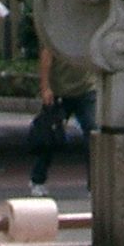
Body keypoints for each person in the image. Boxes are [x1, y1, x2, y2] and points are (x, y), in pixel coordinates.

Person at [28, 38, 98, 197]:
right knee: (50, 136)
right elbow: (46, 57)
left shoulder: (89, 29)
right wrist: (45, 88)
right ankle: (37, 179)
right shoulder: (56, 29)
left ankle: (94, 185)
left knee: (93, 134)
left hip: (86, 89)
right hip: (60, 91)